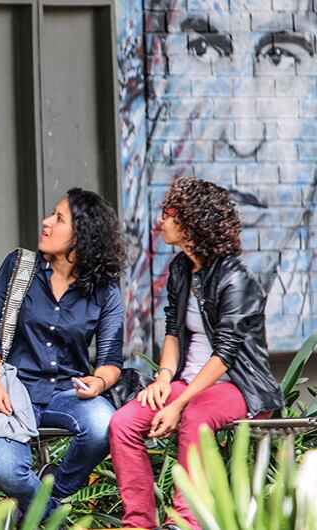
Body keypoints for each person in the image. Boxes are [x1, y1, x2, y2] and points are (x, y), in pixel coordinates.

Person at [109, 177, 284, 530]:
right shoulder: (180, 268)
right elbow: (173, 331)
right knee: (124, 423)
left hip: (239, 385)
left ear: (192, 223)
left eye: (168, 213)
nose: (161, 221)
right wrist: (162, 380)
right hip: (189, 381)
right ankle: (138, 523)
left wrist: (177, 403)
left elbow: (225, 354)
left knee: (195, 415)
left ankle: (186, 522)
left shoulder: (237, 279)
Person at [148, 0, 316, 348]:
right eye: (203, 48)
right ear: (158, 72)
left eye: (278, 57)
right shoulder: (181, 272)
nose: (243, 139)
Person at [0, 188, 125, 516]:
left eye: (58, 218)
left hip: (68, 394)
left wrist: (97, 384)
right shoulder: (19, 268)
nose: (46, 222)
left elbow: (111, 359)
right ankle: (53, 517)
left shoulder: (105, 291)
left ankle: (47, 491)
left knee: (103, 424)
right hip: (13, 392)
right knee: (2, 466)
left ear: (83, 236)